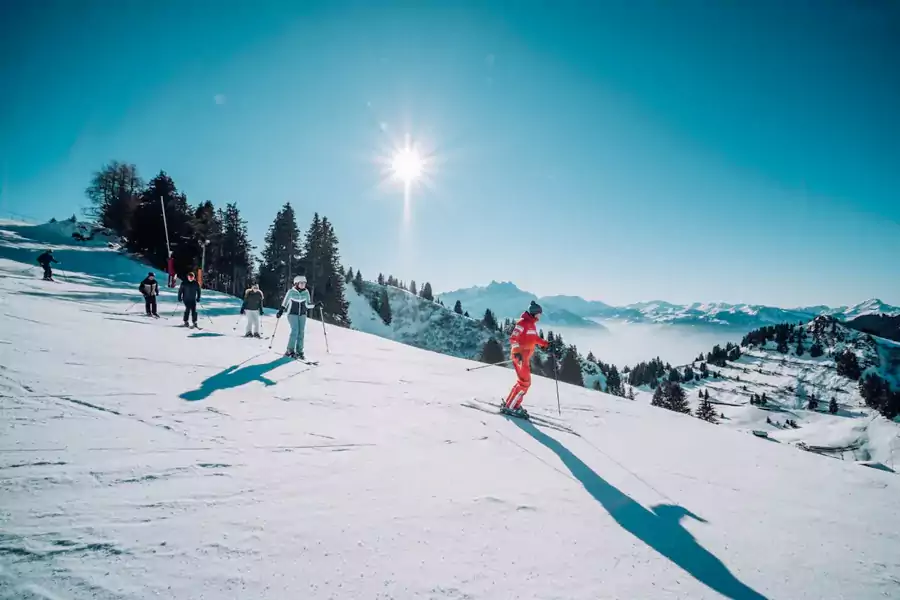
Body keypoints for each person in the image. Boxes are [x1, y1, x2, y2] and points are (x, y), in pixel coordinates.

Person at [503, 300, 549, 418]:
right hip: (520, 357)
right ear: (534, 313)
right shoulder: (522, 323)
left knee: (522, 382)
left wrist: (545, 343)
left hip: (525, 357)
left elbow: (534, 338)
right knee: (525, 383)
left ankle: (511, 403)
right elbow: (513, 338)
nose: (540, 315)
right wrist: (517, 353)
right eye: (539, 313)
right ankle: (512, 406)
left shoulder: (531, 324)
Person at [276, 275, 312, 359]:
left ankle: (300, 351)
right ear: (296, 283)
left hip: (302, 314)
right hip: (292, 314)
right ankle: (290, 350)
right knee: (295, 331)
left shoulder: (306, 292)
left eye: (304, 283)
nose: (303, 285)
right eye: (301, 283)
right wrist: (281, 310)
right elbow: (285, 302)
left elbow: (308, 304)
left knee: (301, 332)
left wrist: (316, 305)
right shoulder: (291, 292)